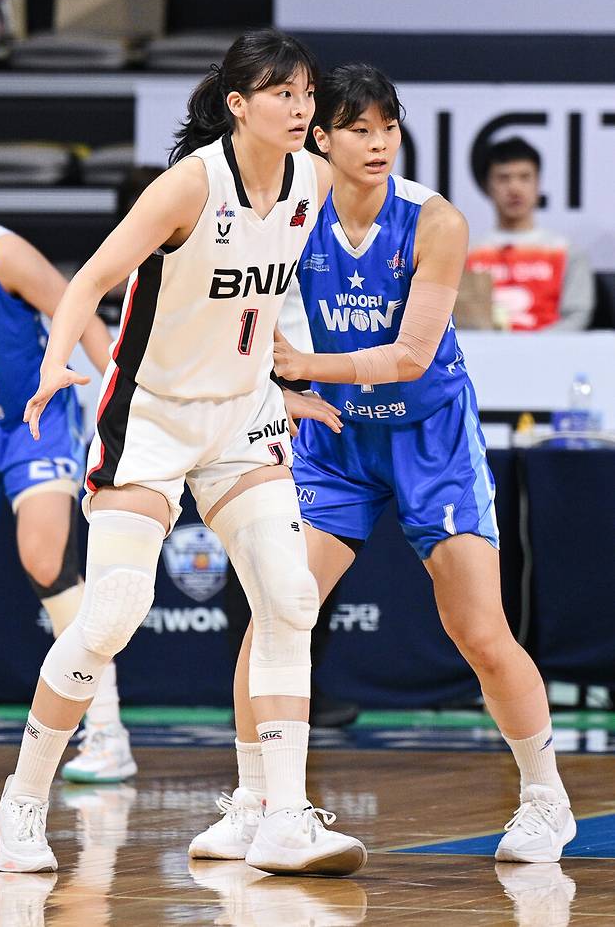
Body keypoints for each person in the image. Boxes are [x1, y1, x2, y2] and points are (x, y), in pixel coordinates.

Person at [0, 28, 367, 879]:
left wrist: (285, 380)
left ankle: (272, 814)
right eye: (283, 93)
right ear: (238, 105)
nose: (301, 107)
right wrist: (55, 363)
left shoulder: (311, 180)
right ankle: (22, 801)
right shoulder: (190, 185)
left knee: (290, 596)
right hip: (151, 416)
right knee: (114, 610)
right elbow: (90, 279)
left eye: (307, 93)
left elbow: (265, 298)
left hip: (242, 417)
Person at [190, 64, 576, 866]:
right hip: (337, 440)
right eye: (358, 128)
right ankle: (255, 801)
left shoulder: (435, 221)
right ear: (320, 138)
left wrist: (304, 367)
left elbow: (410, 355)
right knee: (278, 612)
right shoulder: (289, 213)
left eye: (388, 127)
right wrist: (279, 387)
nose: (378, 143)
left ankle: (547, 798)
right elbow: (231, 317)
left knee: (477, 629)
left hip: (429, 437)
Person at [0, 150, 137, 785]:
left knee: (44, 559)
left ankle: (107, 732)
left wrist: (121, 391)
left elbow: (77, 305)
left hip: (27, 424)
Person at [465, 136, 594, 331]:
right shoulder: (467, 253)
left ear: (538, 184)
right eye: (503, 178)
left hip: (551, 349)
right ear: (487, 186)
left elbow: (577, 315)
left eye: (525, 177)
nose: (514, 188)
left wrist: (537, 346)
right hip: (482, 349)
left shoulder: (567, 251)